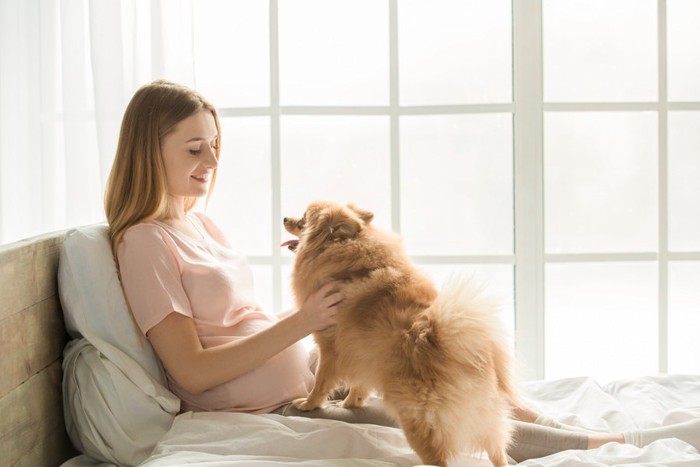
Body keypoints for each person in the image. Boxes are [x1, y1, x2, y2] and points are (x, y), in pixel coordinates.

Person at [104, 80, 700, 464]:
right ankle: (615, 445)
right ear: (147, 148)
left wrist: (330, 316)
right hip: (275, 406)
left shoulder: (200, 227)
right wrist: (306, 320)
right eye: (193, 149)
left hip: (318, 371)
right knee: (437, 404)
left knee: (448, 354)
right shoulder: (144, 244)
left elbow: (244, 321)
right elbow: (192, 370)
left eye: (214, 146)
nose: (211, 162)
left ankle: (550, 420)